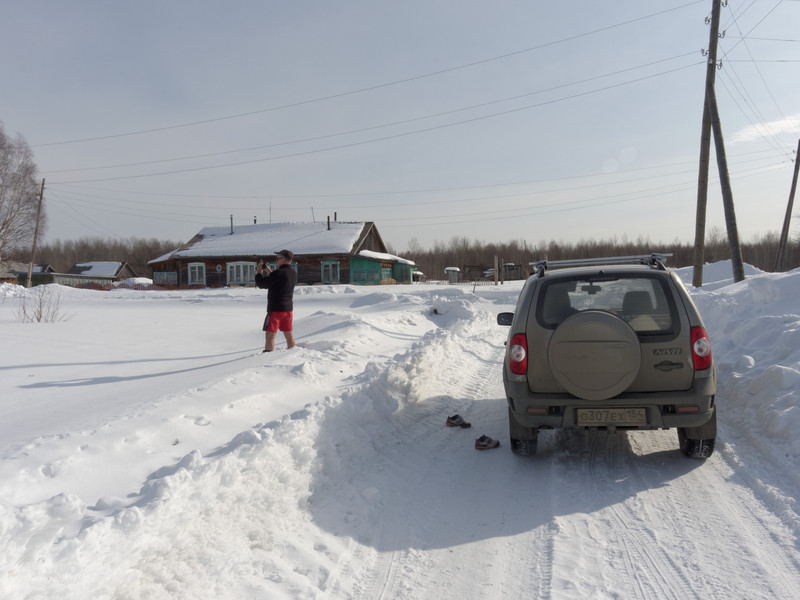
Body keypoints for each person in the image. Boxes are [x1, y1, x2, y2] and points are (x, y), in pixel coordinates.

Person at [255, 249, 297, 352]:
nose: (276, 260)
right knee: (289, 335)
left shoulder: (278, 273)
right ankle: (293, 353)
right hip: (288, 310)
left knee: (270, 336)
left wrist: (258, 273)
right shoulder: (293, 273)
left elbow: (262, 284)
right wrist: (269, 272)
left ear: (284, 260)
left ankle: (268, 357)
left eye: (277, 258)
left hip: (275, 311)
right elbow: (279, 281)